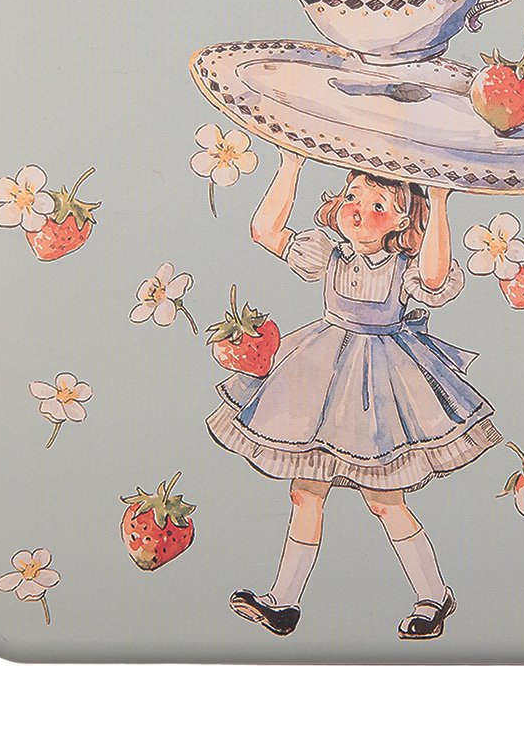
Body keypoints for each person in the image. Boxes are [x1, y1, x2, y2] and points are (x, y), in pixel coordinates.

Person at [207, 148, 501, 638]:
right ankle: (283, 600)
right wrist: (291, 164)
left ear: (402, 221)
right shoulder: (329, 254)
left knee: (384, 500)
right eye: (352, 197)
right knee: (305, 492)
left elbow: (433, 278)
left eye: (378, 206)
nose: (359, 210)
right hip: (320, 377)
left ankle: (433, 594)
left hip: (379, 387)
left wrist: (439, 201)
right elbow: (265, 231)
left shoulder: (403, 266)